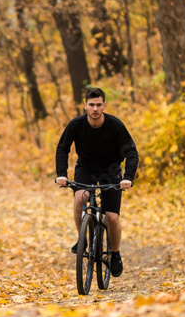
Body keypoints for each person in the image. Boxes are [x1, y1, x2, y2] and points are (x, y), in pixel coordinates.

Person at [55, 87, 138, 277]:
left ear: (104, 106)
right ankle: (82, 239)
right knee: (79, 199)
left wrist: (128, 178)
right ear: (85, 105)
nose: (95, 109)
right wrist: (62, 174)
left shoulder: (115, 125)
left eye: (98, 105)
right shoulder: (76, 125)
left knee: (112, 217)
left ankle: (115, 254)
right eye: (91, 105)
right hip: (86, 168)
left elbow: (131, 152)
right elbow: (62, 148)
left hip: (111, 170)